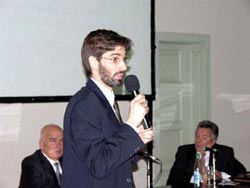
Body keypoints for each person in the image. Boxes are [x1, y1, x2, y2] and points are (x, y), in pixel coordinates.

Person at [62, 29, 154, 188]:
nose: (124, 66)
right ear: (93, 62)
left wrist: (136, 138)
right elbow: (98, 165)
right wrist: (131, 124)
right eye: (115, 59)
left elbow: (111, 154)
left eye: (124, 59)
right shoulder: (84, 105)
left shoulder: (105, 100)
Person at [166, 120, 247, 188]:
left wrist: (220, 175)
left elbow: (241, 171)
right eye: (197, 136)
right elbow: (174, 177)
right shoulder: (184, 151)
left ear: (213, 141)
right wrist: (199, 179)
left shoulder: (224, 152)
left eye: (204, 138)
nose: (198, 140)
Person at [19, 124, 63, 188]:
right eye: (53, 140)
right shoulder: (31, 163)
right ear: (42, 144)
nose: (58, 145)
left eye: (61, 140)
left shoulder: (68, 161)